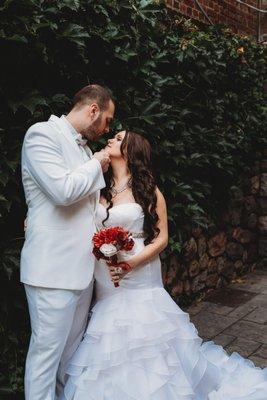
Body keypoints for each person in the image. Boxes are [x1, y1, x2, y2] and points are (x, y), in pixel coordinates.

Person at [59, 129, 267, 400]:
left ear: (131, 151)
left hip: (140, 271)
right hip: (106, 276)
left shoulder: (149, 191)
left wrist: (131, 264)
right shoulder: (100, 190)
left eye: (119, 139)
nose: (111, 139)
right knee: (109, 334)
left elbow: (162, 238)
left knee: (146, 332)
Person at [20, 84, 115, 400]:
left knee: (69, 357)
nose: (107, 129)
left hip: (82, 271)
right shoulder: (41, 135)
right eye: (107, 120)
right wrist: (99, 162)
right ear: (93, 110)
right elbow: (62, 192)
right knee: (46, 357)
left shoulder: (84, 150)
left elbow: (86, 212)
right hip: (52, 271)